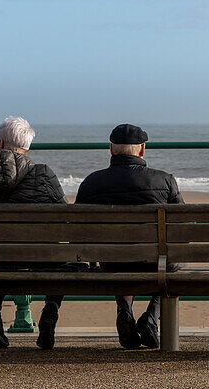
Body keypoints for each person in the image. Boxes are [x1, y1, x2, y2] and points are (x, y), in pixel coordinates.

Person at [75, 123, 182, 349]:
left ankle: (124, 309)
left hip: (111, 263)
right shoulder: (164, 181)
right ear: (142, 150)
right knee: (174, 263)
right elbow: (183, 227)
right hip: (156, 263)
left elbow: (77, 229)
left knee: (117, 256)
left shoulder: (91, 182)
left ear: (111, 150)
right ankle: (151, 317)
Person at [0, 116, 66, 349]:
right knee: (62, 256)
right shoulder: (44, 173)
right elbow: (65, 218)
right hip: (39, 260)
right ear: (27, 146)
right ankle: (50, 312)